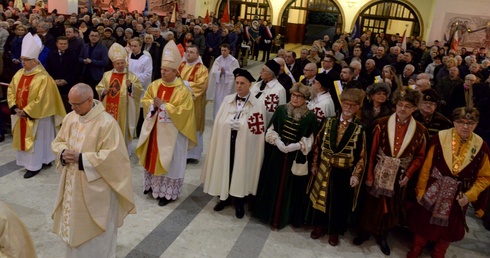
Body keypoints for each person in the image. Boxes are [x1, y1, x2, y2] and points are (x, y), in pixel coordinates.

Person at [51, 83, 136, 257]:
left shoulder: (106, 123)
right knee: (74, 226)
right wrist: (62, 152)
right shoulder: (70, 118)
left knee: (94, 237)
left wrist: (81, 158)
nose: (73, 108)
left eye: (77, 104)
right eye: (71, 104)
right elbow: (58, 141)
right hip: (72, 184)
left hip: (96, 191)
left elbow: (114, 158)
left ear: (90, 100)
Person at [407, 107, 490, 258]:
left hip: (459, 195)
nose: (465, 126)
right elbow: (426, 167)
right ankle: (416, 249)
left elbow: (485, 177)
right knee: (424, 222)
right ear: (454, 122)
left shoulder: (482, 146)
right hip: (433, 188)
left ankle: (439, 253)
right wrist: (420, 190)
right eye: (461, 122)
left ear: (476, 124)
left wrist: (469, 196)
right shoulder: (440, 137)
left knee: (450, 228)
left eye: (470, 123)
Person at [354, 87, 428, 255]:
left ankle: (383, 235)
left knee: (392, 207)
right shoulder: (381, 123)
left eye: (407, 106)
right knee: (371, 204)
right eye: (400, 105)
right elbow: (371, 151)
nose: (403, 109)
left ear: (414, 108)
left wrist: (409, 174)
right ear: (395, 105)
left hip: (399, 175)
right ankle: (365, 231)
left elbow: (420, 156)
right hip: (379, 171)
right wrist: (370, 174)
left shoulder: (420, 130)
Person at [136, 40, 197, 207]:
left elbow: (185, 111)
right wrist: (152, 105)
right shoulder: (155, 85)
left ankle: (167, 193)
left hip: (173, 134)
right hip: (154, 130)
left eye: (166, 70)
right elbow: (146, 100)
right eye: (162, 69)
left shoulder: (182, 90)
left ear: (175, 72)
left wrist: (164, 106)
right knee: (152, 156)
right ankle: (152, 186)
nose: (162, 72)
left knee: (170, 160)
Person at [202, 68, 265, 219]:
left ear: (249, 84)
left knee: (240, 170)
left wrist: (242, 128)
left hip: (244, 147)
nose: (239, 86)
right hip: (226, 142)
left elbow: (258, 132)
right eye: (237, 83)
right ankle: (224, 197)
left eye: (242, 83)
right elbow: (219, 123)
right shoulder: (227, 100)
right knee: (226, 167)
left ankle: (239, 202)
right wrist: (227, 124)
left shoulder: (257, 104)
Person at [253, 82, 318, 229]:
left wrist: (298, 145)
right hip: (277, 154)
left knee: (290, 187)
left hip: (295, 158)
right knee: (272, 182)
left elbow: (311, 138)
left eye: (299, 96)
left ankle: (283, 217)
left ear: (305, 98)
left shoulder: (310, 117)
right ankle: (266, 213)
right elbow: (271, 128)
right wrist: (277, 141)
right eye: (293, 95)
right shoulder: (281, 110)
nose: (295, 99)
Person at [307, 88, 367, 246]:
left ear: (358, 107)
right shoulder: (328, 121)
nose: (348, 108)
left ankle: (334, 230)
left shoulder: (360, 128)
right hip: (324, 167)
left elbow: (362, 155)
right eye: (346, 104)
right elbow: (317, 145)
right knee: (321, 196)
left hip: (344, 170)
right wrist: (314, 163)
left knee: (339, 202)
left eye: (352, 105)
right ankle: (319, 225)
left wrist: (356, 174)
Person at [7, 33, 66, 179]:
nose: (23, 63)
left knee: (39, 140)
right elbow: (11, 90)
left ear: (35, 61)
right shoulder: (19, 74)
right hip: (21, 114)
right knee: (27, 139)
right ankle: (30, 163)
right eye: (22, 60)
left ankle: (35, 165)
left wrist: (26, 111)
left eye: (26, 60)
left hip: (39, 117)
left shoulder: (43, 78)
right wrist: (14, 107)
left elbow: (43, 100)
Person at [96, 42, 143, 153]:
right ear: (114, 64)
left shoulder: (130, 76)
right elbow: (99, 87)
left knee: (123, 128)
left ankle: (125, 151)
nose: (120, 65)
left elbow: (139, 89)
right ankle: (109, 149)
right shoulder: (107, 75)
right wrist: (103, 91)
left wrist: (131, 86)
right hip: (109, 108)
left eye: (122, 63)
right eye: (118, 63)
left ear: (125, 63)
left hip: (124, 110)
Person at [178, 45, 209, 162]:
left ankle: (192, 155)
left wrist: (185, 84)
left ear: (197, 55)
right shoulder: (180, 66)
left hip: (194, 104)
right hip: (180, 103)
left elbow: (201, 85)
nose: (188, 54)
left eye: (191, 52)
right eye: (187, 52)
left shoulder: (202, 69)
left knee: (193, 124)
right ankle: (180, 153)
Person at [46, 36, 80, 113]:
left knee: (67, 107)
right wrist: (54, 81)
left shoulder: (73, 54)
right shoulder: (51, 54)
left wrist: (66, 80)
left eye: (65, 44)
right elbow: (48, 69)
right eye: (61, 44)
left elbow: (75, 70)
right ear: (57, 44)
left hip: (69, 85)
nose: (63, 45)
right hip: (55, 84)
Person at [207, 43, 240, 119]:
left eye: (225, 50)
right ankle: (217, 118)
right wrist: (220, 73)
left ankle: (226, 118)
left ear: (229, 51)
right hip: (219, 85)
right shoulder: (218, 60)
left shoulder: (233, 61)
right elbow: (213, 72)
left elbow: (235, 74)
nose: (223, 52)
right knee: (218, 102)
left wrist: (226, 73)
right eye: (222, 50)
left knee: (227, 101)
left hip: (228, 85)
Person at [250, 59, 287, 124]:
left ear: (270, 74)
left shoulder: (279, 90)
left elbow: (281, 113)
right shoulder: (257, 85)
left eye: (263, 70)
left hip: (266, 124)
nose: (260, 72)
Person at [79, 29, 109, 98]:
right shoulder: (85, 46)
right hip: (85, 75)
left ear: (99, 37)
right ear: (89, 37)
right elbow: (79, 58)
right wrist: (83, 60)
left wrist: (92, 61)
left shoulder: (103, 48)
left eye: (96, 36)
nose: (93, 37)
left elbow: (105, 62)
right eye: (92, 35)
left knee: (95, 96)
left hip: (96, 76)